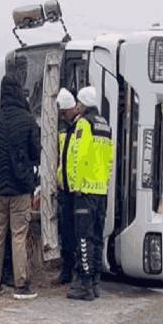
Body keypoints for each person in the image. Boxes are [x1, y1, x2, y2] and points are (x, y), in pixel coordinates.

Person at [0, 75, 40, 300]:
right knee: (18, 235)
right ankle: (20, 285)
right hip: (20, 189)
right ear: (18, 92)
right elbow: (36, 153)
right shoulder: (27, 120)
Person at [61, 86, 115, 301]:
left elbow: (78, 156)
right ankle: (94, 282)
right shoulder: (105, 126)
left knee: (83, 239)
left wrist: (74, 185)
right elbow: (109, 160)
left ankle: (83, 284)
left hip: (85, 190)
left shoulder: (84, 124)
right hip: (101, 190)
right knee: (97, 238)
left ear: (81, 105)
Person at [55, 88, 78, 285]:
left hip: (77, 190)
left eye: (64, 112)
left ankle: (73, 271)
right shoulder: (63, 128)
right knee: (66, 233)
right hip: (65, 189)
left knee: (76, 234)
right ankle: (66, 271)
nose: (63, 116)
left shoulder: (80, 127)